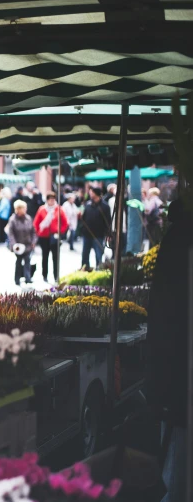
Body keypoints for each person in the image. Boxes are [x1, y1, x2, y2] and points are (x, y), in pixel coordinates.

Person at [147, 200, 191, 502]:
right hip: (177, 361)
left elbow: (161, 309)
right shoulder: (179, 242)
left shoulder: (174, 240)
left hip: (174, 360)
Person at [33, 193, 68, 283]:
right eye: (50, 199)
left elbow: (65, 223)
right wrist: (38, 232)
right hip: (44, 237)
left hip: (55, 236)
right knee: (45, 256)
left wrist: (60, 231)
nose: (52, 201)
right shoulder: (42, 209)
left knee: (55, 257)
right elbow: (36, 223)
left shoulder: (59, 209)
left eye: (53, 199)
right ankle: (45, 275)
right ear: (47, 200)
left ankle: (56, 275)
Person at [7, 200, 37, 286]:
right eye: (23, 208)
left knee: (27, 261)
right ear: (18, 209)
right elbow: (11, 234)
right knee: (19, 262)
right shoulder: (13, 220)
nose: (25, 209)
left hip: (27, 245)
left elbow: (33, 231)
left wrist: (33, 241)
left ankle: (28, 278)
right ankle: (17, 279)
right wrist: (14, 244)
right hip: (18, 246)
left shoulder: (28, 218)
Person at [80, 188, 111, 269]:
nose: (90, 194)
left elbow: (108, 221)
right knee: (85, 255)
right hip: (87, 235)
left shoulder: (105, 206)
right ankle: (85, 269)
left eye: (92, 192)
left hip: (99, 235)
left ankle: (99, 270)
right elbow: (83, 218)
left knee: (98, 255)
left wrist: (108, 234)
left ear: (96, 194)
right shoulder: (88, 204)